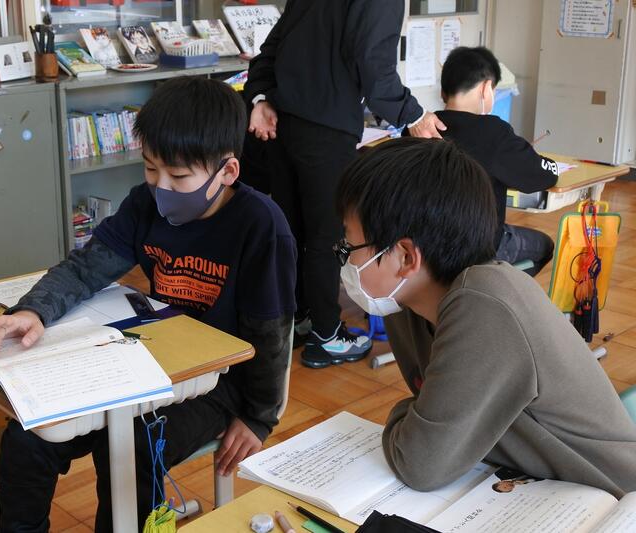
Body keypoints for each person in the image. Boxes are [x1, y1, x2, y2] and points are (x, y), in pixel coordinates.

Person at [0, 76, 296, 532]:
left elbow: (271, 330)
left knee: (131, 447)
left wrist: (258, 417)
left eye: (178, 177)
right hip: (149, 362)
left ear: (227, 172)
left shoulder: (261, 225)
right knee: (29, 437)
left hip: (222, 382)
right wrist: (31, 311)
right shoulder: (144, 204)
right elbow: (86, 269)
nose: (161, 186)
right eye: (150, 168)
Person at [335, 138, 636, 497]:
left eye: (348, 245)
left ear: (406, 257)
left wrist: (414, 415)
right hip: (537, 487)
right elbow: (437, 437)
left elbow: (420, 463)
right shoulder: (406, 306)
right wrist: (426, 420)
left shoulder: (483, 302)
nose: (344, 259)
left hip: (610, 499)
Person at [243, 0, 446, 369]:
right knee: (326, 237)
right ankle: (327, 335)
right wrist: (414, 115)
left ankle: (297, 320)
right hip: (326, 129)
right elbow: (374, 67)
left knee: (292, 230)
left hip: (282, 125)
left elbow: (270, 50)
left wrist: (259, 98)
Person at [433, 46, 559, 276]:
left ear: (443, 92)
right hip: (480, 245)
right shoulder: (493, 132)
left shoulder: (422, 127)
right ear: (485, 88)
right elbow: (543, 175)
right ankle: (495, 289)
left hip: (427, 243)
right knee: (544, 246)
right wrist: (538, 159)